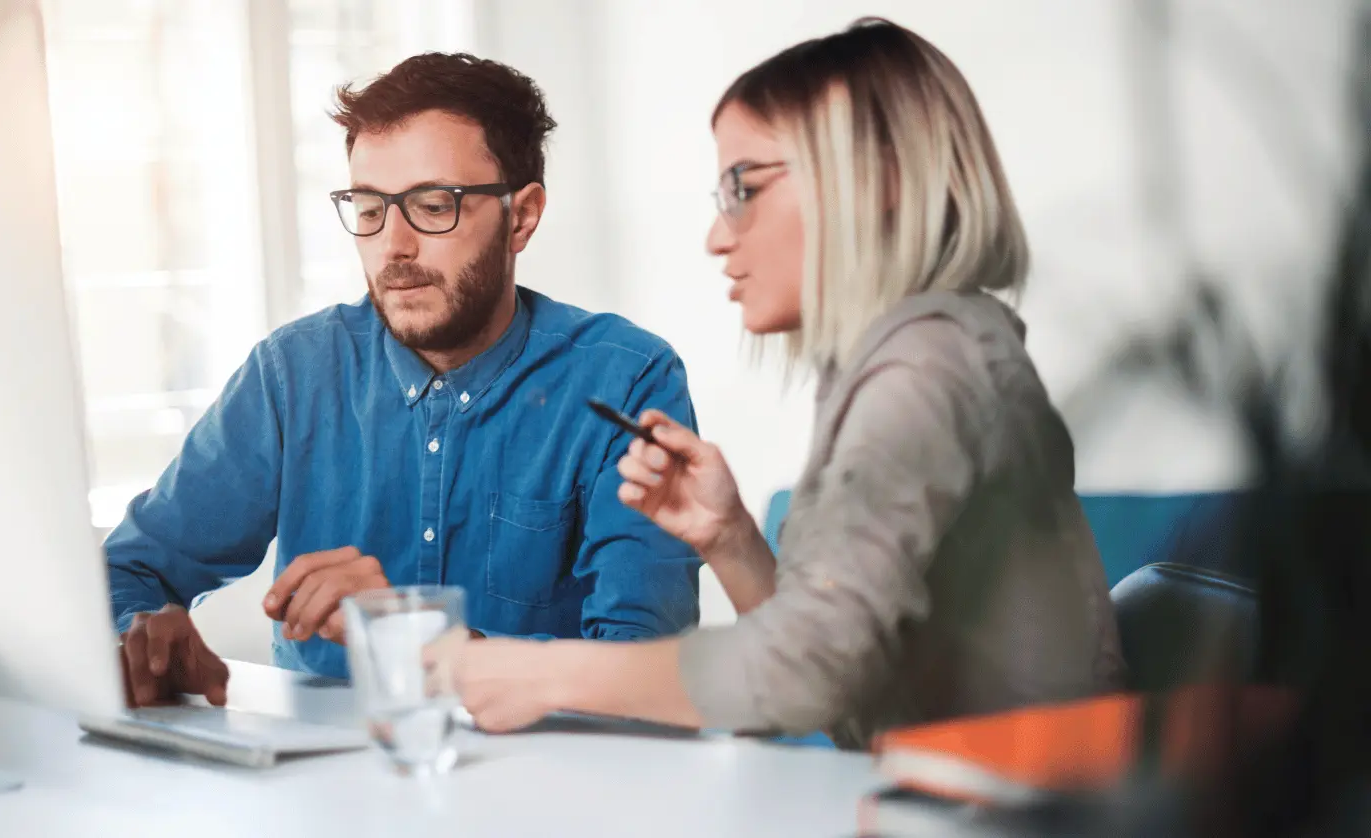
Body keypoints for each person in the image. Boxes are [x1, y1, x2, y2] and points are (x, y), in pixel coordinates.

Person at [451, 18, 1127, 747]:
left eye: (745, 186)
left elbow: (804, 674)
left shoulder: (926, 371)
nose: (718, 235)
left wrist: (540, 674)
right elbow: (845, 674)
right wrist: (731, 537)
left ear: (882, 177)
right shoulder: (906, 358)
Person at [105, 53, 702, 707]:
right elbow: (131, 568)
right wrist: (142, 633)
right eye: (369, 208)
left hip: (543, 791)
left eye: (433, 205)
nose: (393, 246)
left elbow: (651, 677)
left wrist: (414, 634)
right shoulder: (293, 375)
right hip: (322, 793)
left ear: (522, 217)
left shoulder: (626, 381)